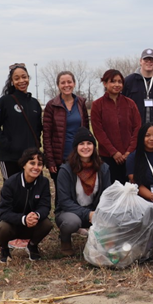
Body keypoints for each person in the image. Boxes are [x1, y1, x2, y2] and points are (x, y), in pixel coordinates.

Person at [56, 127, 112, 256]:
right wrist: (88, 214)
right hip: (69, 212)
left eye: (89, 143)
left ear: (94, 147)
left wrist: (100, 213)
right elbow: (64, 202)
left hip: (94, 211)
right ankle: (65, 240)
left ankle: (102, 242)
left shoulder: (103, 168)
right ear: (76, 147)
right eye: (81, 144)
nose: (85, 147)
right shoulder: (66, 170)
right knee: (72, 222)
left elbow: (107, 195)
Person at [0, 147, 52, 263]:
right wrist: (23, 219)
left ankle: (32, 246)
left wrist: (36, 215)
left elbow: (45, 206)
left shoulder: (44, 182)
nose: (36, 167)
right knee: (2, 227)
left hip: (32, 224)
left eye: (40, 164)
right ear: (24, 164)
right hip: (13, 224)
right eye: (32, 163)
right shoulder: (10, 183)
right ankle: (4, 249)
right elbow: (4, 211)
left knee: (47, 224)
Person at [0, 63, 42, 180]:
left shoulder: (34, 103)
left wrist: (37, 147)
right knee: (12, 192)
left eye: (24, 77)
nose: (21, 81)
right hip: (10, 158)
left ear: (28, 78)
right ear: (12, 81)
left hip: (31, 159)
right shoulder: (5, 101)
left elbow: (38, 129)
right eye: (17, 78)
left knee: (33, 190)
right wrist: (8, 146)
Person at [43, 71, 90, 204]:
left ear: (74, 83)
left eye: (69, 82)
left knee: (80, 191)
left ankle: (80, 217)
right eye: (62, 82)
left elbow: (86, 131)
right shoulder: (52, 105)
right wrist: (50, 161)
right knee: (62, 192)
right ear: (58, 85)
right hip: (60, 159)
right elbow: (46, 135)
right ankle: (62, 218)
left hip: (80, 156)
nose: (66, 85)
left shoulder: (81, 103)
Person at [91, 69, 141, 184]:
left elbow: (137, 128)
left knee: (131, 190)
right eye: (113, 81)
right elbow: (99, 132)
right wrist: (113, 152)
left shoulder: (130, 103)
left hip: (130, 156)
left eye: (119, 82)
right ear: (105, 83)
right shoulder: (97, 105)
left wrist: (129, 152)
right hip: (107, 157)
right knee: (110, 190)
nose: (117, 85)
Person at [122, 48, 153, 136]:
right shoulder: (128, 82)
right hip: (134, 134)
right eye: (146, 59)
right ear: (140, 61)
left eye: (152, 59)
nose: (149, 62)